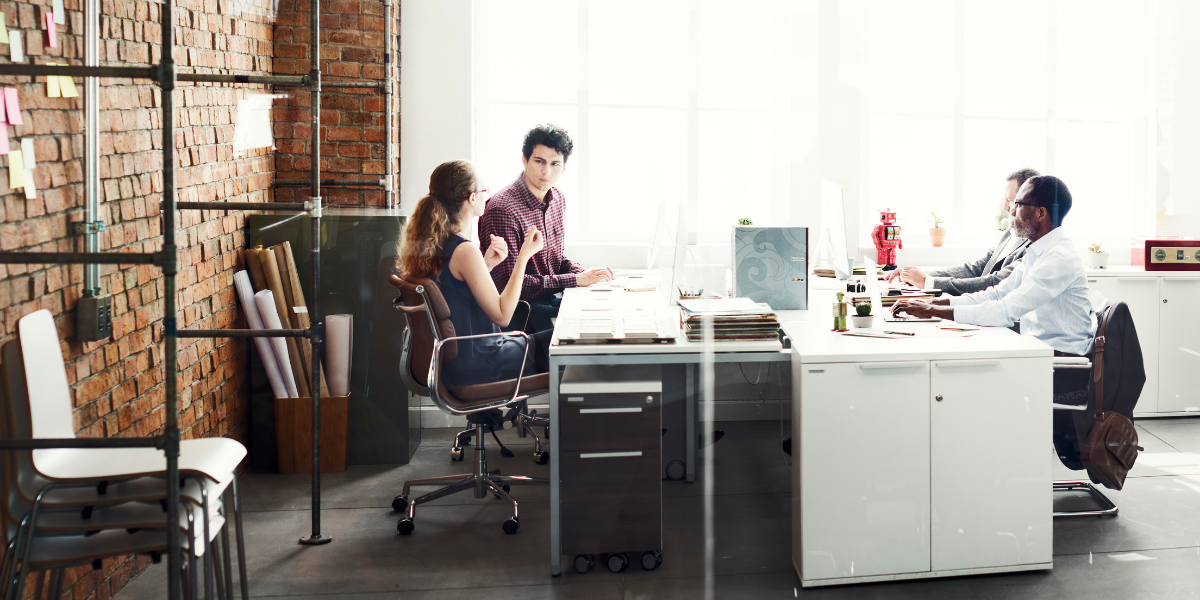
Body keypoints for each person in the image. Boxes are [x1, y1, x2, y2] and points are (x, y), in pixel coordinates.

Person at [890, 175, 1094, 466]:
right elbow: (996, 294)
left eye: (1019, 204)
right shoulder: (1038, 252)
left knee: (965, 382)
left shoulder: (1058, 258)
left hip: (1060, 366)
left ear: (1040, 212)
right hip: (1039, 354)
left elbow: (1004, 311)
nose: (1010, 210)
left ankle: (981, 470)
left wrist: (934, 311)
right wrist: (936, 303)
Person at [399, 160, 550, 386]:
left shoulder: (433, 242)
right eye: (484, 191)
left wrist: (485, 265)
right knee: (563, 344)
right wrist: (523, 257)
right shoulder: (465, 250)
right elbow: (502, 315)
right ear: (471, 198)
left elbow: (452, 289)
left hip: (457, 364)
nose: (485, 196)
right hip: (482, 362)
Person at [478, 124, 613, 333]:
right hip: (521, 313)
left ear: (564, 167)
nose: (546, 171)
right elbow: (510, 285)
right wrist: (576, 280)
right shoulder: (502, 209)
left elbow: (555, 260)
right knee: (596, 326)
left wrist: (587, 274)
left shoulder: (557, 198)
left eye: (555, 164)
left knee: (607, 309)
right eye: (539, 161)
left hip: (549, 299)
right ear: (524, 160)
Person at [886, 168, 1040, 295]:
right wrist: (918, 276)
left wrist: (928, 282)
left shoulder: (1035, 244)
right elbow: (976, 268)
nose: (1005, 207)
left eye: (1010, 200)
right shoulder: (1011, 231)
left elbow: (995, 282)